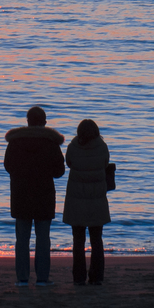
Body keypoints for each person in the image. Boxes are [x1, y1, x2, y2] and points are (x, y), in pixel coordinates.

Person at [2, 106, 66, 286]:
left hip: (20, 194)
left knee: (22, 238)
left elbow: (8, 166)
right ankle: (42, 278)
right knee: (43, 238)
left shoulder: (15, 142)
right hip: (44, 195)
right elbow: (59, 171)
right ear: (44, 123)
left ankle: (22, 278)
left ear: (27, 121)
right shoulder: (51, 143)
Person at [61, 119, 110, 286]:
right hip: (97, 200)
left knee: (78, 240)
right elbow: (105, 164)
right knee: (97, 240)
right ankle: (96, 277)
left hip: (77, 200)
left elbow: (69, 163)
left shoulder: (73, 146)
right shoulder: (102, 147)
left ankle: (79, 277)